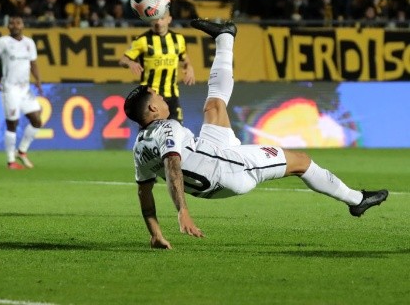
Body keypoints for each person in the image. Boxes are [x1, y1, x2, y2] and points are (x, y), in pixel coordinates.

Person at [123, 19, 388, 250]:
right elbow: (172, 164)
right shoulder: (168, 128)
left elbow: (144, 193)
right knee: (301, 162)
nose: (162, 95)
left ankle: (225, 36)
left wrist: (156, 234)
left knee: (214, 106)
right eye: (157, 95)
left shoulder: (139, 147)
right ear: (153, 108)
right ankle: (357, 200)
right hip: (227, 170)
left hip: (207, 155)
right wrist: (183, 213)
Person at [0, 16, 43, 170]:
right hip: (9, 88)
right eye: (12, 23)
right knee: (13, 123)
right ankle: (11, 161)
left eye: (18, 22)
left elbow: (33, 63)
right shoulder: (2, 42)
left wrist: (38, 80)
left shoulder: (29, 43)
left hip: (25, 88)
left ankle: (22, 151)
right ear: (8, 26)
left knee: (37, 120)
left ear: (23, 25)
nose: (15, 25)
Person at [119, 11, 195, 123]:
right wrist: (131, 63)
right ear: (151, 20)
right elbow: (123, 60)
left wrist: (189, 68)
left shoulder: (178, 39)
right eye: (156, 19)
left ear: (169, 19)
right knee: (152, 134)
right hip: (151, 97)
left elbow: (184, 58)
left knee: (178, 131)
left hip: (172, 95)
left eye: (162, 18)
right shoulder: (142, 40)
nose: (159, 22)